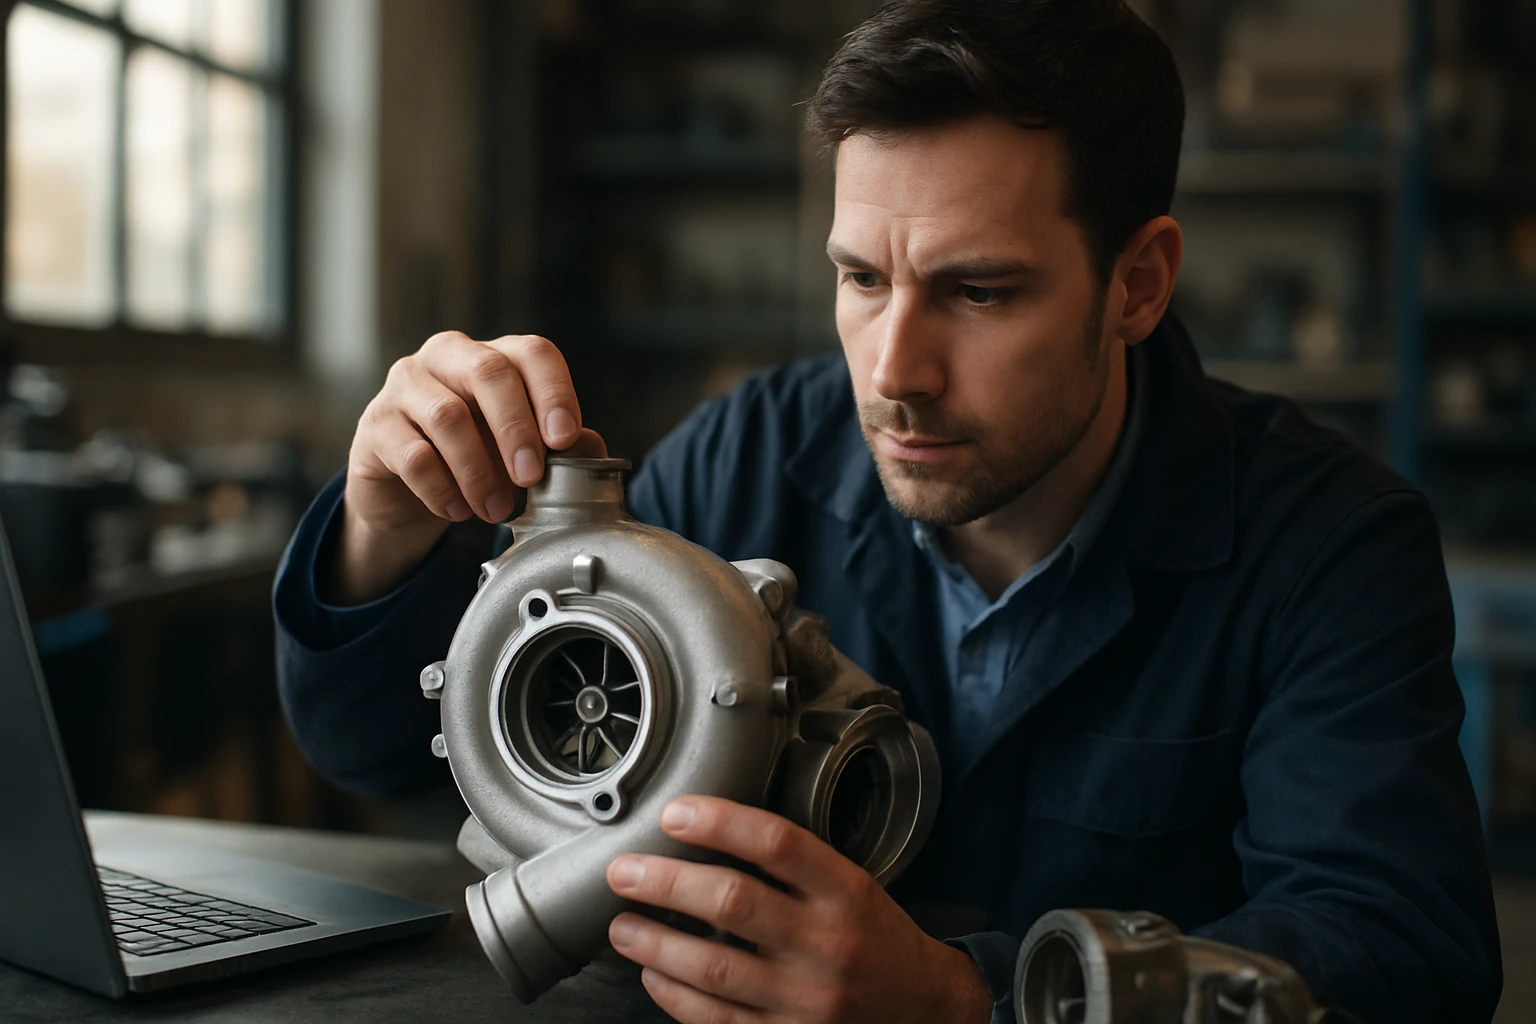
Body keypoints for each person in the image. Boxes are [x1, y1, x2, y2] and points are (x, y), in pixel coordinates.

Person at [273, 2, 1502, 1022]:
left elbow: (1398, 955)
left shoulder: (1330, 542)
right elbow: (382, 754)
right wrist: (386, 531)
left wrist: (965, 1000)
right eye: (861, 277)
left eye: (977, 290)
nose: (893, 369)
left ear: (1138, 283)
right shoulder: (751, 455)